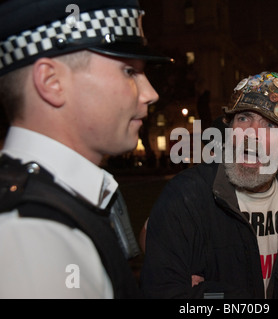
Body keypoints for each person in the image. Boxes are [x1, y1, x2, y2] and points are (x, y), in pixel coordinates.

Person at [0, 0, 171, 298]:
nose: (150, 93)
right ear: (52, 82)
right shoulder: (35, 236)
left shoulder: (56, 208)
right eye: (129, 71)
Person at [140, 71, 278, 299]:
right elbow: (163, 291)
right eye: (243, 118)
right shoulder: (187, 196)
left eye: (271, 125)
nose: (251, 135)